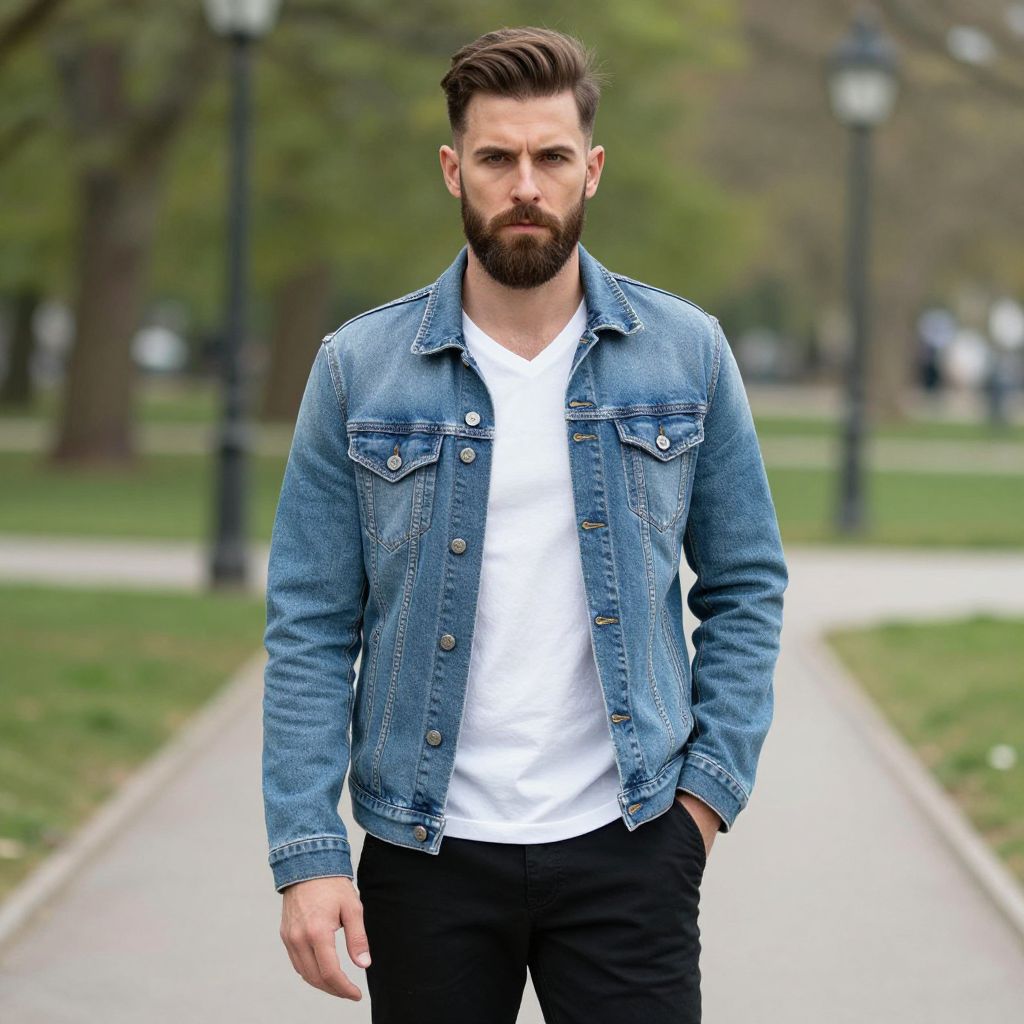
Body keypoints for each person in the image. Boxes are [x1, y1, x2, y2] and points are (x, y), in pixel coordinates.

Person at [262, 25, 788, 1024]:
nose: (525, 186)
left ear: (590, 169)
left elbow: (745, 586)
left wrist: (703, 805)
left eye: (550, 157)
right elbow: (310, 625)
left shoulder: (686, 354)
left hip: (630, 838)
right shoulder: (357, 368)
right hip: (425, 854)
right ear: (454, 170)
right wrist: (308, 849)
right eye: (497, 159)